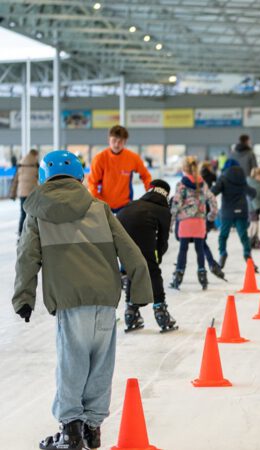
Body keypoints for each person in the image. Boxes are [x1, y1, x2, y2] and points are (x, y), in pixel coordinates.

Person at [13, 150, 152, 450]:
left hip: (70, 298)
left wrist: (24, 298)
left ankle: (71, 432)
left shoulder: (37, 211)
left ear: (44, 177)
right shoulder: (99, 208)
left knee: (72, 362)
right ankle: (93, 428)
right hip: (104, 298)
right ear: (79, 176)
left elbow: (27, 257)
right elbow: (131, 251)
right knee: (101, 363)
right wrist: (139, 292)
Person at [116, 179, 178, 333]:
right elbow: (162, 242)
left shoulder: (133, 204)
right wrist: (156, 259)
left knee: (134, 269)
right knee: (152, 270)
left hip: (121, 223)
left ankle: (131, 312)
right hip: (139, 230)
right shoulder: (163, 211)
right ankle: (161, 313)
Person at [170, 156, 218, 290]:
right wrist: (211, 215)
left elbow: (175, 205)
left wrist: (171, 223)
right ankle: (202, 275)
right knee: (200, 249)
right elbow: (213, 200)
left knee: (183, 250)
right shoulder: (203, 184)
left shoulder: (181, 185)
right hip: (200, 223)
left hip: (185, 223)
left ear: (183, 168)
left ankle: (178, 276)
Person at [87, 125, 152, 213]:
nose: (117, 144)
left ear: (125, 142)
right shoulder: (99, 159)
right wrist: (99, 202)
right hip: (104, 205)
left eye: (120, 141)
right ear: (109, 140)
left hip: (125, 205)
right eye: (114, 140)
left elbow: (146, 176)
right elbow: (92, 183)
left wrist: (150, 192)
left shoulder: (133, 158)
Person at [212, 159, 257, 270]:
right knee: (244, 236)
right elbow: (252, 192)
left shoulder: (223, 177)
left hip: (227, 212)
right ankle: (248, 256)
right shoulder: (242, 178)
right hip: (241, 211)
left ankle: (222, 254)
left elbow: (213, 192)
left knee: (223, 235)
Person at [10, 148, 39, 236]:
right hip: (32, 193)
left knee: (23, 213)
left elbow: (15, 181)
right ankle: (32, 233)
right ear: (35, 155)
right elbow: (41, 179)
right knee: (33, 214)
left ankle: (20, 232)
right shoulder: (36, 165)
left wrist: (13, 193)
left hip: (22, 193)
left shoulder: (21, 164)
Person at [247, 167, 260, 249]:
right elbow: (253, 197)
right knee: (254, 224)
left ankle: (254, 239)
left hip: (253, 207)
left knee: (254, 223)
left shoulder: (255, 183)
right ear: (258, 175)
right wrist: (257, 207)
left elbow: (257, 197)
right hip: (252, 208)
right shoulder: (254, 185)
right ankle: (252, 240)